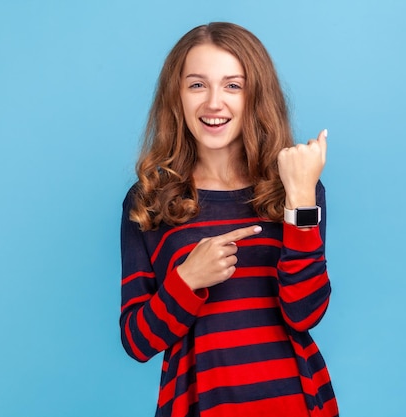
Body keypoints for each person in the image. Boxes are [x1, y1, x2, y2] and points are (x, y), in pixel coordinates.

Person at [119, 22, 338, 417]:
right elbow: (137, 342)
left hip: (294, 402)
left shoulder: (294, 188)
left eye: (233, 85)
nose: (214, 103)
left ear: (255, 96)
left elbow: (305, 312)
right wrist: (187, 280)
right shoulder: (149, 200)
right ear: (177, 97)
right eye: (197, 85)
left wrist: (301, 196)